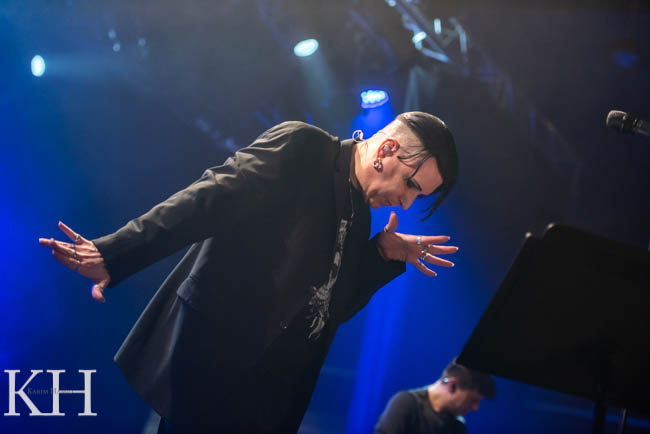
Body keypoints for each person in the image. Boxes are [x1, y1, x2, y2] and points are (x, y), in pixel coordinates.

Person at [39, 112, 459, 433]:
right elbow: (208, 198)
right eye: (411, 185)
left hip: (268, 399)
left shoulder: (361, 215)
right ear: (387, 150)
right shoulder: (305, 147)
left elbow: (333, 308)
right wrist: (117, 253)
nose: (407, 203)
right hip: (216, 367)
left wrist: (382, 255)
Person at [375, 359, 497, 434]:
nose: (476, 407)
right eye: (473, 400)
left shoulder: (457, 426)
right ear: (452, 385)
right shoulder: (406, 403)